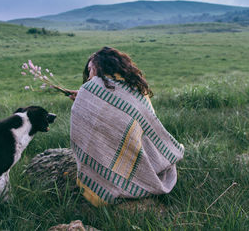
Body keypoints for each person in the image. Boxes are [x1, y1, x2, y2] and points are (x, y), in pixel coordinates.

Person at [69, 46, 184, 206]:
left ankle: (106, 185)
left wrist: (85, 97)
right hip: (136, 149)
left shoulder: (91, 88)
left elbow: (90, 123)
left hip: (116, 151)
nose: (89, 75)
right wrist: (85, 98)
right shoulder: (135, 87)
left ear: (99, 67)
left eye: (91, 69)